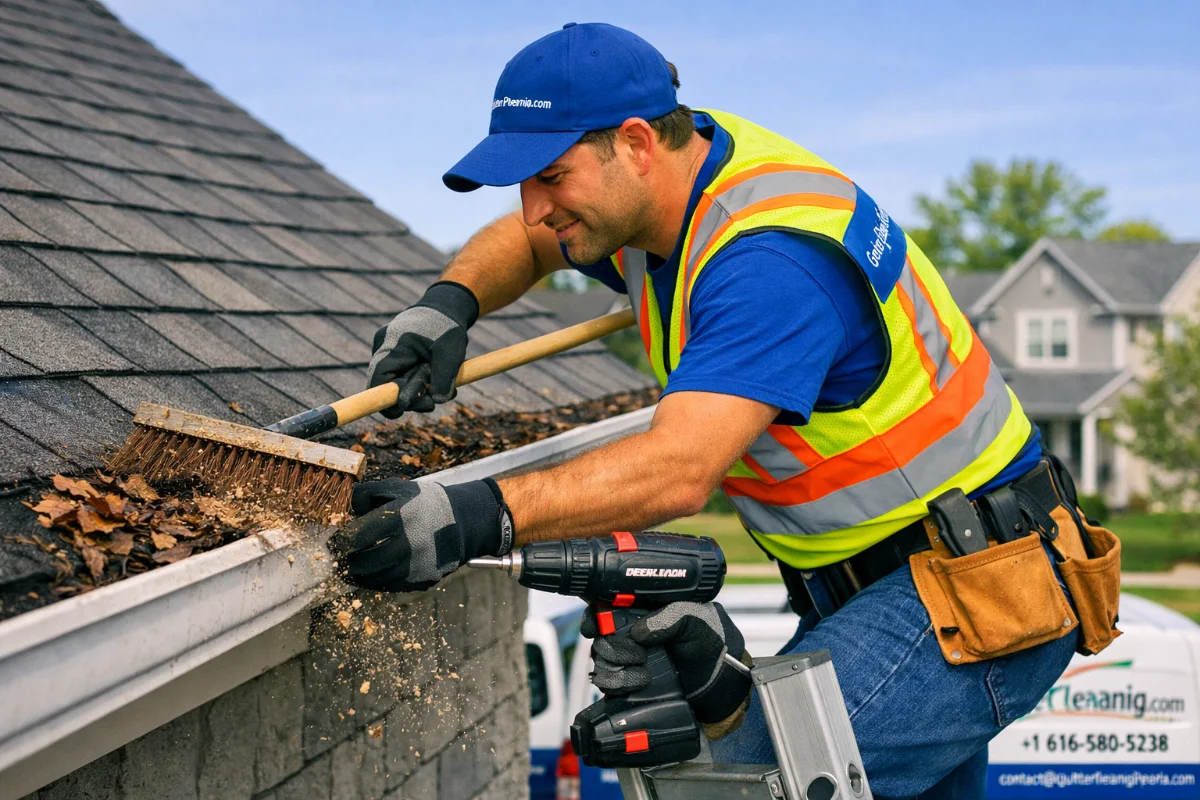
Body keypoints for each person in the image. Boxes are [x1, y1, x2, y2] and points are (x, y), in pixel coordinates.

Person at [334, 23, 1121, 799]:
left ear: (637, 143)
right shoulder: (664, 187)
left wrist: (465, 516)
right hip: (886, 584)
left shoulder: (771, 259)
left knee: (738, 783)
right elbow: (531, 241)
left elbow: (680, 471)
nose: (535, 207)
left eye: (550, 176)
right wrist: (449, 303)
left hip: (975, 582)